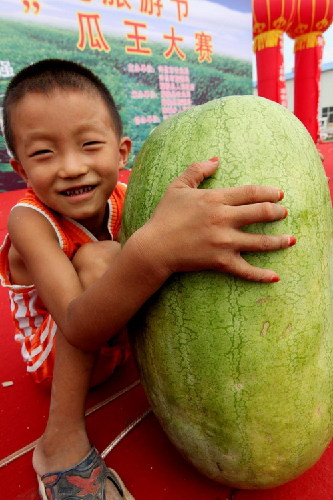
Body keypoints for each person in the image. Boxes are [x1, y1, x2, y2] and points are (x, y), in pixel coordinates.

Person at [0, 59, 296, 500]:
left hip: (116, 337)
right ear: (20, 169)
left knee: (166, 246)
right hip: (60, 349)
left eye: (89, 144)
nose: (71, 167)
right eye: (44, 153)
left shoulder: (128, 192)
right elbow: (78, 324)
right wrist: (154, 249)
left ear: (122, 153)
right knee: (106, 257)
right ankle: (58, 444)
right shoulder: (28, 220)